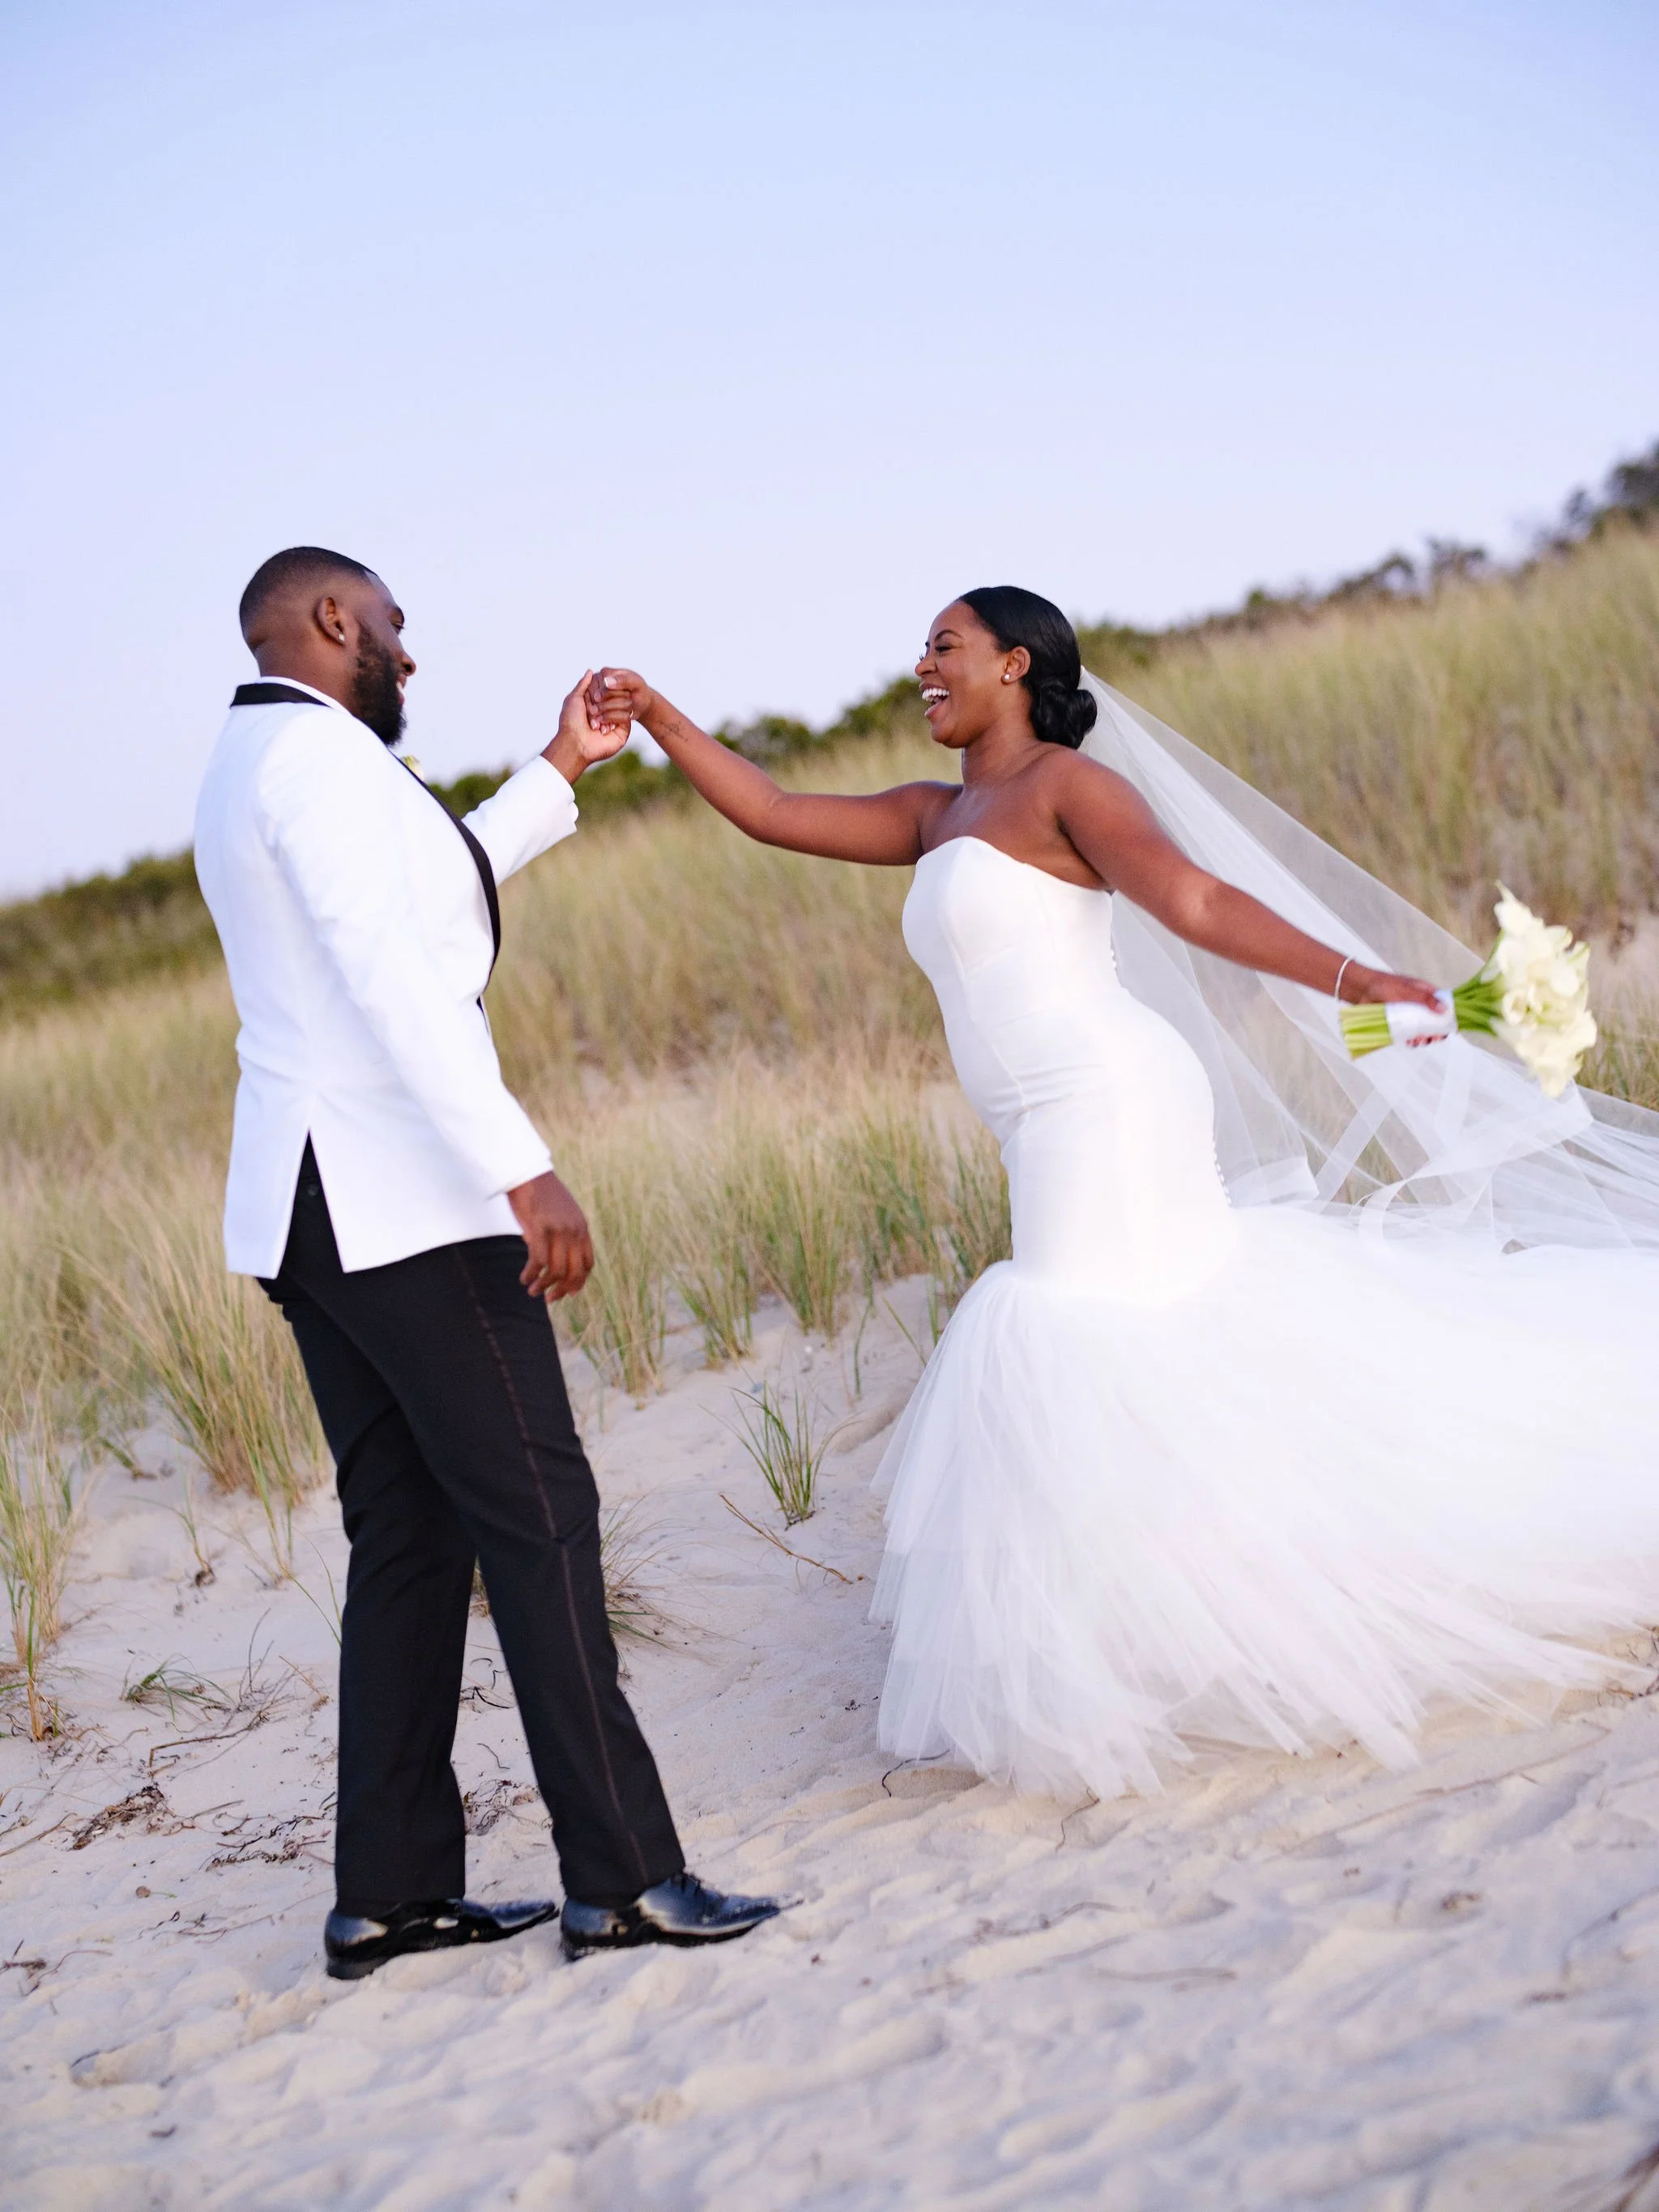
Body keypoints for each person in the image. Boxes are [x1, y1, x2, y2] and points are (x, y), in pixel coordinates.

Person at [588, 588, 1659, 1801]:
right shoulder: (935, 815)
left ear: (1015, 664)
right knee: (1144, 1349)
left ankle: (1169, 1641)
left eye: (945, 646)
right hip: (1041, 1126)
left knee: (1070, 1339)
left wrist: (1363, 983)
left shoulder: (1067, 788)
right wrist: (659, 716)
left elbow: (1194, 901)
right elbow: (775, 812)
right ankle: (1191, 1623)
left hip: (1108, 1107)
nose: (923, 666)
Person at [194, 546, 778, 1975]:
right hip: (403, 1199)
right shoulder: (319, 763)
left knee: (410, 1537)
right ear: (333, 618)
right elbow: (393, 973)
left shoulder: (259, 754)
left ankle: (389, 1896)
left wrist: (558, 768)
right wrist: (523, 1164)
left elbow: (413, 892)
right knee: (539, 1513)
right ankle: (623, 1878)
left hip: (311, 1207)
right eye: (393, 625)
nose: (409, 651)